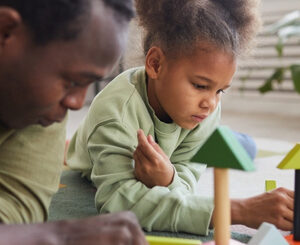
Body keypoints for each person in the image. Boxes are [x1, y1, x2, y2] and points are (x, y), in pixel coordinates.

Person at [67, 0, 294, 236]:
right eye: (200, 85)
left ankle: (235, 140)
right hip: (103, 150)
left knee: (245, 148)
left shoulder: (205, 109)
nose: (211, 103)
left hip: (179, 142)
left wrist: (169, 177)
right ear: (156, 64)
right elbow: (119, 201)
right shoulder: (114, 115)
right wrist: (238, 210)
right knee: (227, 149)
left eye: (220, 90)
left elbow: (184, 186)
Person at [0, 0, 147, 244]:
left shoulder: (39, 113)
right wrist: (61, 235)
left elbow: (15, 212)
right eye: (71, 82)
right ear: (5, 31)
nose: (77, 103)